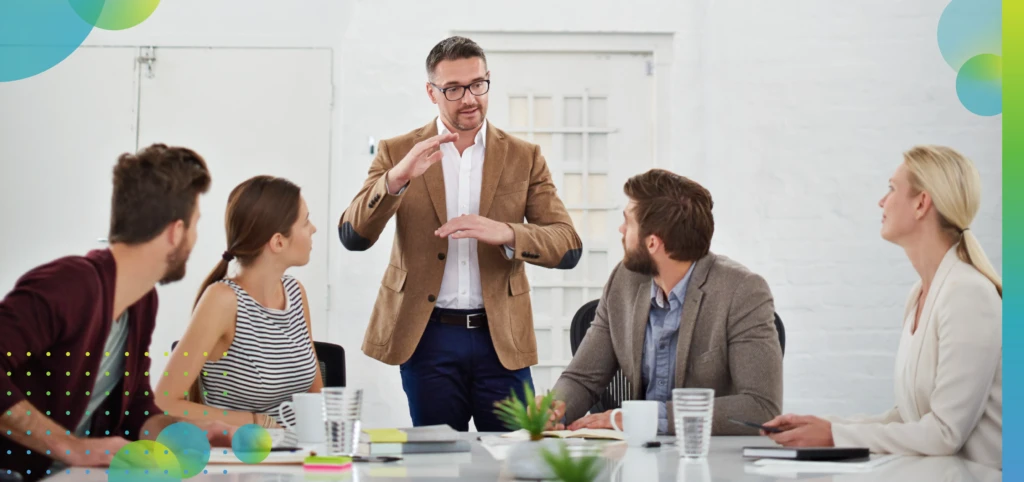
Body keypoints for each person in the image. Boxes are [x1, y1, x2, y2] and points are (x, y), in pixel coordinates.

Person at [338, 35, 583, 432]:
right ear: (431, 92)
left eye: (477, 85)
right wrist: (397, 178)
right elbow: (353, 235)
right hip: (427, 337)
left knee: (513, 462)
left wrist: (505, 232)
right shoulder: (397, 151)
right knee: (438, 465)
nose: (469, 98)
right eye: (453, 89)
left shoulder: (524, 156)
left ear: (488, 80)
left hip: (501, 337)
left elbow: (567, 245)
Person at [0, 144, 233, 479]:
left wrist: (187, 432)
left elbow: (136, 410)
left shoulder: (141, 302)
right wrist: (70, 446)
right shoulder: (70, 284)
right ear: (175, 231)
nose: (195, 238)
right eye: (195, 224)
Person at [763, 145, 1002, 470]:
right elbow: (909, 417)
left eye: (891, 188)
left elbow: (945, 433)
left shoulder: (969, 295)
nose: (881, 201)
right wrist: (821, 425)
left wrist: (835, 436)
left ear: (921, 203)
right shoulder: (921, 293)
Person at [545, 169, 783, 435]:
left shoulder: (742, 292)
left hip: (706, 459)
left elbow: (761, 407)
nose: (621, 230)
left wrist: (645, 418)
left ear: (653, 243)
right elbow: (583, 378)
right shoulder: (624, 281)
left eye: (628, 222)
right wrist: (553, 409)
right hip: (631, 456)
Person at [156, 176, 323, 429]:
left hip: (293, 454)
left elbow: (315, 396)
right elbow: (164, 403)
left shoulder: (295, 293)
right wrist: (255, 422)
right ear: (278, 242)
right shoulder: (222, 301)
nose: (314, 229)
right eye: (306, 221)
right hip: (239, 457)